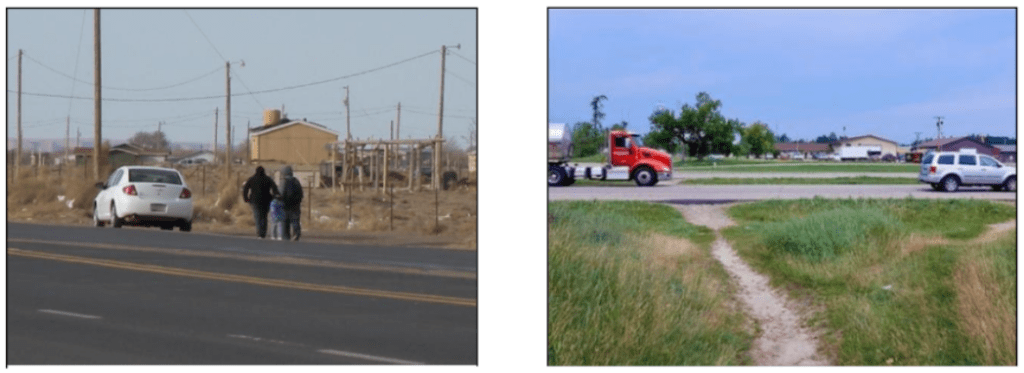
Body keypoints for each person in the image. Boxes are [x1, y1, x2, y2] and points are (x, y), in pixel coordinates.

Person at [242, 166, 279, 239]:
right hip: (266, 201)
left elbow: (245, 189)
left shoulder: (252, 179)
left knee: (257, 216)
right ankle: (263, 233)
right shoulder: (268, 179)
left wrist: (246, 198)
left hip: (254, 201)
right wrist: (275, 197)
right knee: (264, 217)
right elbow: (275, 189)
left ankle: (259, 233)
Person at [279, 165, 304, 241]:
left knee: (285, 222)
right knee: (295, 220)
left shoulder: (283, 181)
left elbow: (281, 193)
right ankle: (296, 233)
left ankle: (286, 236)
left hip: (285, 205)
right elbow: (301, 193)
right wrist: (298, 201)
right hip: (296, 205)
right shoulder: (296, 181)